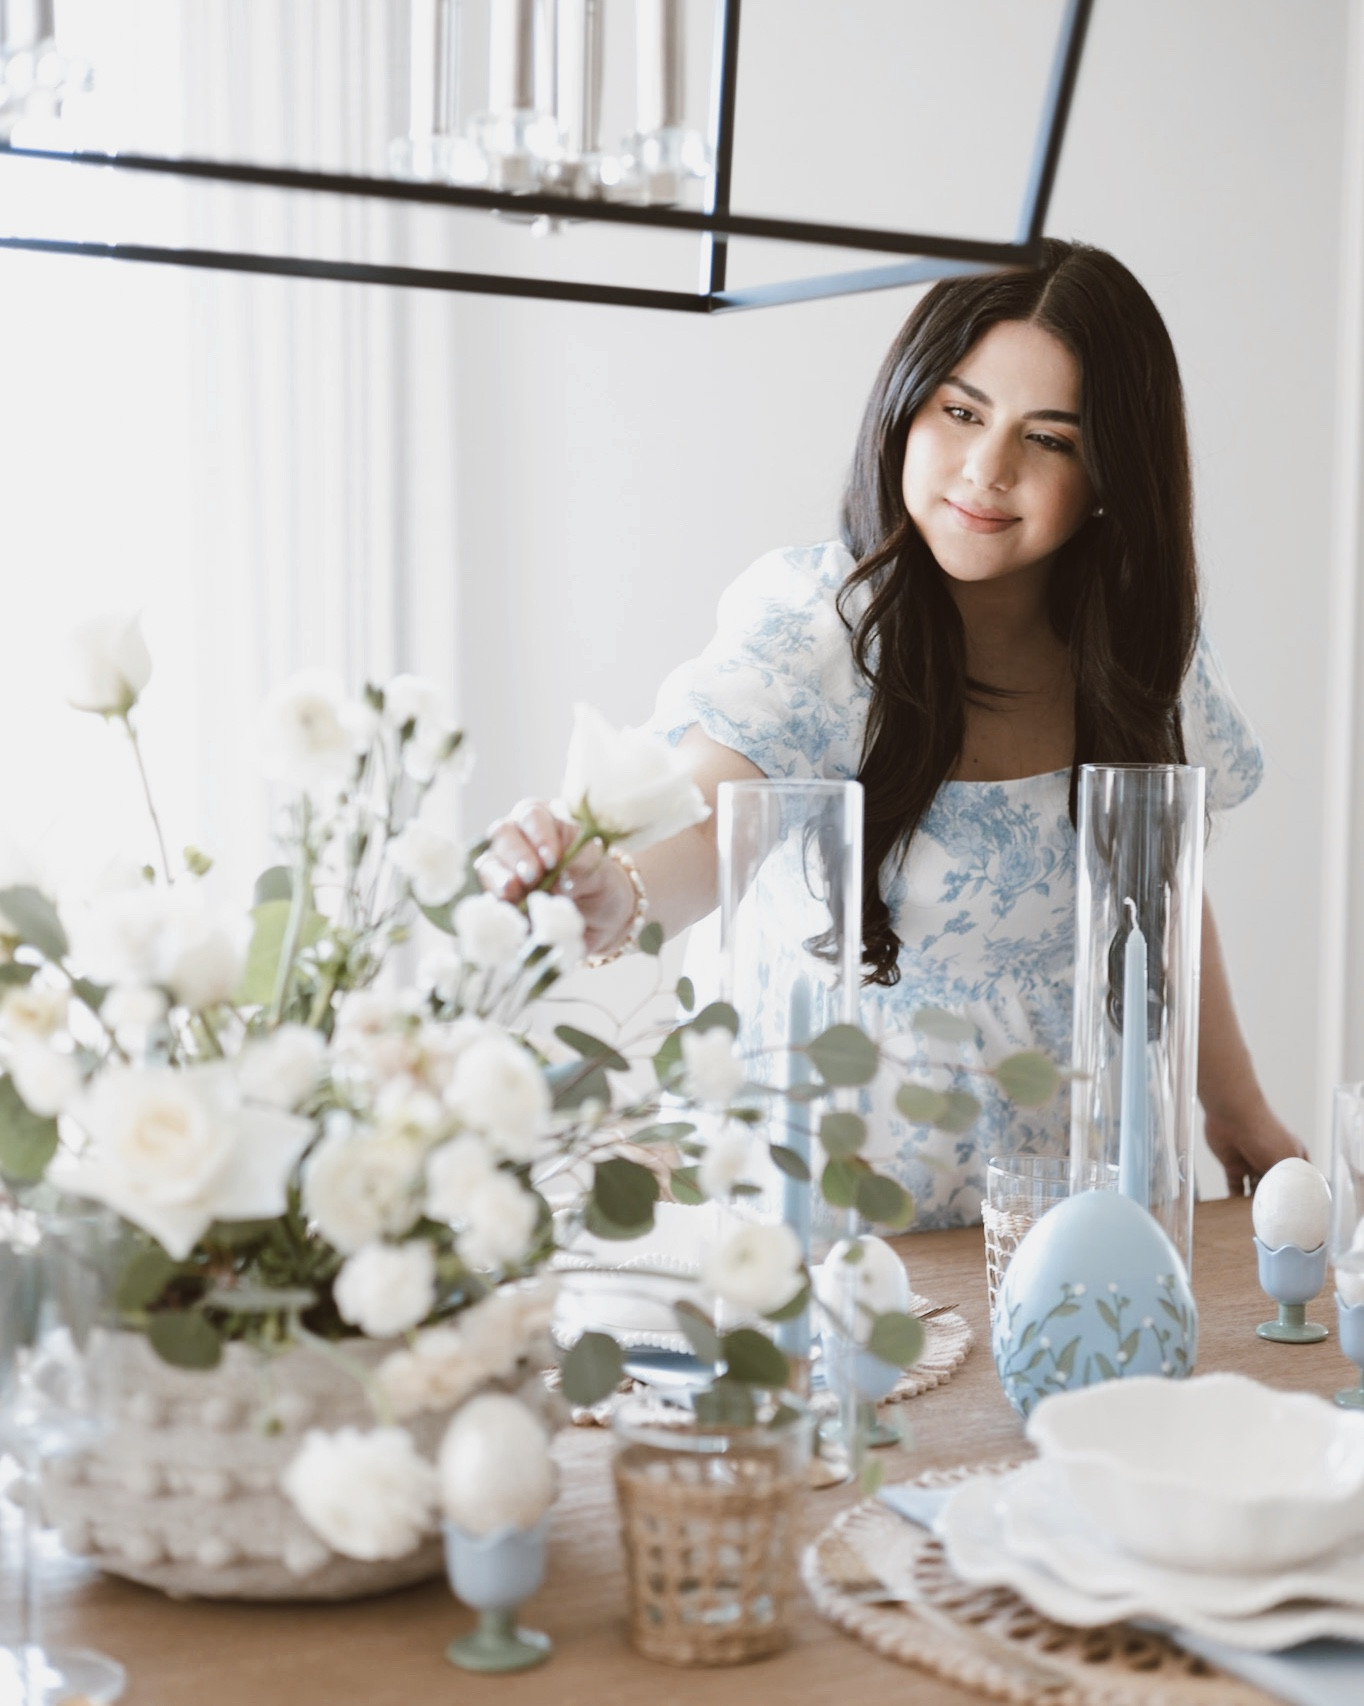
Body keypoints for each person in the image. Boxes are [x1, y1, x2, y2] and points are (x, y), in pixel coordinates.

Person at [477, 238, 1302, 1226]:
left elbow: (1159, 897)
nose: (986, 470)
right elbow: (708, 817)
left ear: (1107, 473)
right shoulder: (817, 623)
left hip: (1069, 1223)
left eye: (1048, 439)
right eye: (961, 412)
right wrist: (615, 885)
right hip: (831, 1233)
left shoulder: (1143, 650)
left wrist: (1235, 1105)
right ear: (904, 408)